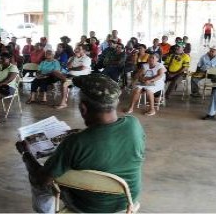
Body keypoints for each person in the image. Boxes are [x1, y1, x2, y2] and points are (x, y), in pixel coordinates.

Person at [16, 73, 145, 213]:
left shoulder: (75, 143)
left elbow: (42, 179)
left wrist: (26, 153)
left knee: (36, 180)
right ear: (116, 103)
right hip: (126, 202)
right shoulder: (134, 124)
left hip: (86, 207)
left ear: (83, 108)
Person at [55, 45, 91, 109]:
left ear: (84, 51)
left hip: (80, 77)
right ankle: (66, 79)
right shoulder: (72, 57)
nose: (76, 50)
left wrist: (72, 69)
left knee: (64, 84)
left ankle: (63, 103)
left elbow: (82, 68)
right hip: (69, 75)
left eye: (79, 49)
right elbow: (68, 66)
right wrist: (74, 58)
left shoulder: (87, 58)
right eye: (76, 48)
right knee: (55, 72)